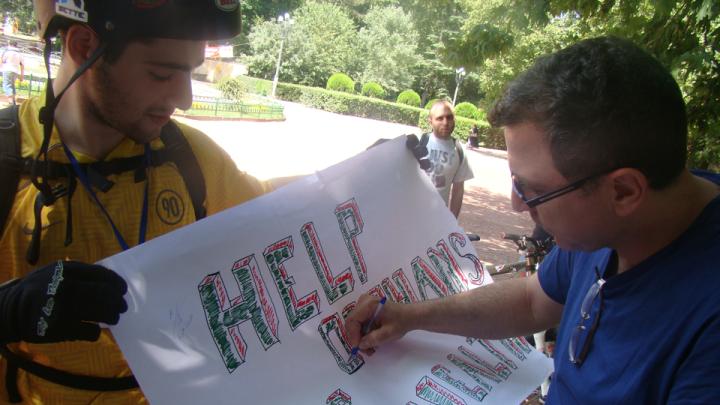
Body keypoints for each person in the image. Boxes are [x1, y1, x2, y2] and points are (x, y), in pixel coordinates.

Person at [347, 36, 720, 403]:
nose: (516, 205)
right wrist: (409, 317)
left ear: (623, 192)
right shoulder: (608, 228)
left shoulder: (708, 327)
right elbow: (532, 300)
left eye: (532, 189)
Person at [0, 1, 273, 403]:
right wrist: (8, 309)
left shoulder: (188, 156)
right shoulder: (9, 164)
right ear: (84, 45)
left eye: (190, 72)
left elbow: (267, 207)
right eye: (162, 73)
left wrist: (376, 165)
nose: (185, 99)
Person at [424, 100, 474, 218]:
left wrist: (452, 223)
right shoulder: (418, 143)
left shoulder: (459, 150)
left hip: (438, 220)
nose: (445, 122)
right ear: (430, 121)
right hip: (411, 216)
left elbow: (458, 190)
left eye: (449, 117)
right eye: (440, 118)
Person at [1, 40, 24, 105]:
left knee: (7, 85)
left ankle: (11, 101)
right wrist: (22, 75)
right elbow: (22, 65)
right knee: (12, 85)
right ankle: (13, 102)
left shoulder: (7, 51)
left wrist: (1, 67)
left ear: (9, 44)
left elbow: (2, 60)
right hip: (15, 71)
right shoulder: (19, 53)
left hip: (7, 69)